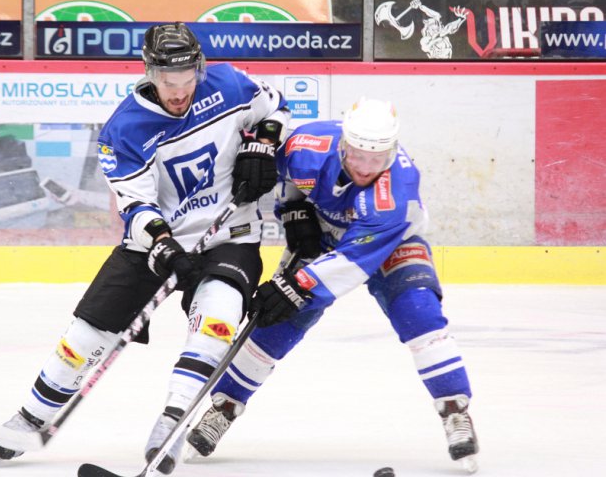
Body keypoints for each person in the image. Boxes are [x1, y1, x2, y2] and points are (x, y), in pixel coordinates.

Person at [0, 22, 290, 474]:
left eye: (187, 79)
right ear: (150, 72)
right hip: (154, 243)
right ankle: (32, 416)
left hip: (230, 234)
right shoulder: (124, 129)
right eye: (168, 81)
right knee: (85, 335)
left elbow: (276, 106)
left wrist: (263, 144)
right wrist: (165, 245)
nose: (179, 92)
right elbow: (137, 206)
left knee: (218, 318)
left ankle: (171, 423)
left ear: (200, 68)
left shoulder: (229, 83)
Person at [187, 98, 480, 473]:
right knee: (275, 322)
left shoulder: (398, 193)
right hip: (325, 235)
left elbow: (352, 263)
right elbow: (285, 174)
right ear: (344, 144)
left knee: (419, 312)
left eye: (377, 159)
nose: (365, 168)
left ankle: (455, 410)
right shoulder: (308, 145)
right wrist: (294, 210)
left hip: (390, 243)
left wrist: (295, 286)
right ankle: (224, 406)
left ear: (391, 152)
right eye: (358, 156)